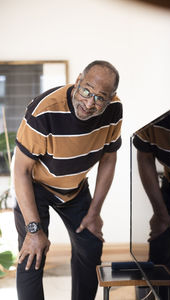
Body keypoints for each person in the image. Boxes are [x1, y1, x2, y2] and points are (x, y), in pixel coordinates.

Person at [13, 60, 123, 300]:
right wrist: (34, 231)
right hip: (35, 187)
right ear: (78, 81)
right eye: (86, 91)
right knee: (33, 254)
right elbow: (20, 170)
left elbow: (109, 159)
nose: (89, 103)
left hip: (74, 189)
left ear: (110, 98)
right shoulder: (43, 111)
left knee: (91, 244)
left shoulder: (114, 110)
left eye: (100, 98)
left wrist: (94, 212)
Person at [133, 111, 170, 300]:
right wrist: (160, 212)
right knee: (162, 237)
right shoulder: (152, 119)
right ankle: (157, 294)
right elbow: (145, 157)